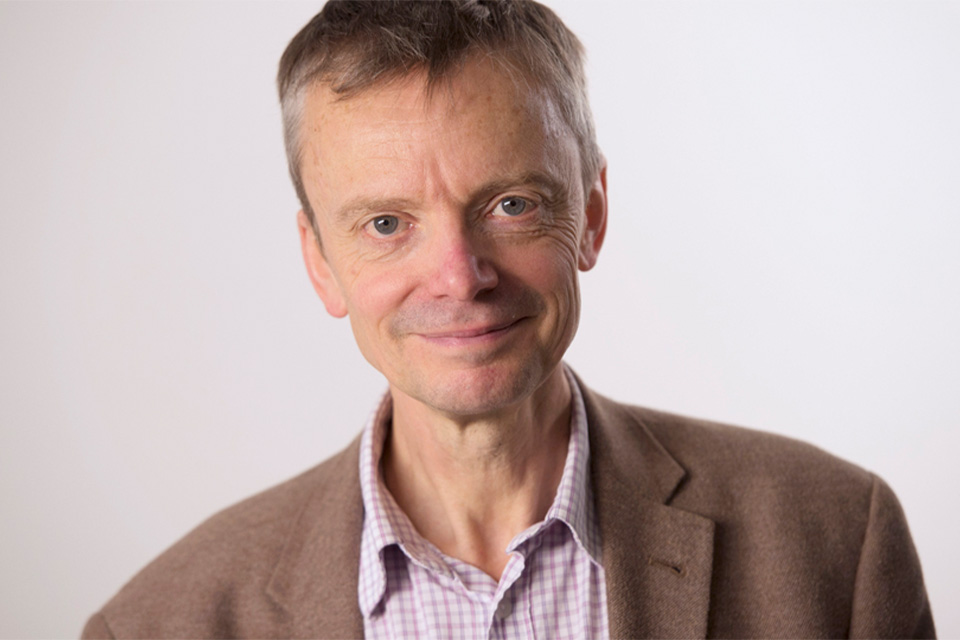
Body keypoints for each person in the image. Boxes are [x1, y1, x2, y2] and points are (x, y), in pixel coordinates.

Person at [82, 1, 934, 638]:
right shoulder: (162, 623)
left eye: (511, 204)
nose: (459, 276)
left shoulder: (832, 542)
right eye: (387, 224)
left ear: (591, 213)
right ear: (319, 261)